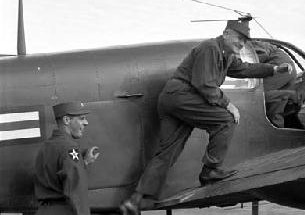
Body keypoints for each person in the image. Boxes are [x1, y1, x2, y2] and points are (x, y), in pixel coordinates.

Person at [120, 19, 291, 215]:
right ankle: (210, 170)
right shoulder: (210, 48)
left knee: (166, 153)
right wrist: (229, 104)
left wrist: (274, 70)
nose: (241, 43)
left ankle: (138, 200)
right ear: (226, 33)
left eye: (245, 41)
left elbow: (245, 69)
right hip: (181, 97)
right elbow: (204, 84)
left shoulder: (226, 55)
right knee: (226, 120)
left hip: (175, 100)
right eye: (239, 38)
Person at [34, 102, 100, 215]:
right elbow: (77, 192)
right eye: (81, 118)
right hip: (64, 210)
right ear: (67, 120)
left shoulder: (46, 146)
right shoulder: (69, 148)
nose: (86, 122)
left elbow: (55, 177)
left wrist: (83, 162)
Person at [252, 40, 298, 127]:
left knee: (256, 95)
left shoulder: (247, 44)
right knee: (275, 110)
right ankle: (277, 134)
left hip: (280, 67)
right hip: (287, 70)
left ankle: (290, 95)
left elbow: (261, 54)